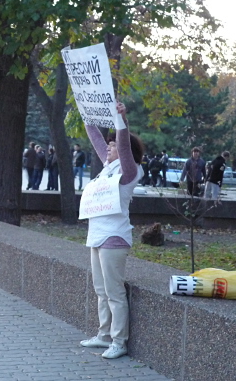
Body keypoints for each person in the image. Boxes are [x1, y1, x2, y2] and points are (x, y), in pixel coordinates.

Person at [79, 102, 144, 360]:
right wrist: (87, 117)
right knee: (100, 290)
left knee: (115, 292)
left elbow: (125, 145)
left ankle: (119, 341)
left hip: (114, 238)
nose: (108, 147)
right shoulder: (108, 169)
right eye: (108, 144)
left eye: (112, 145)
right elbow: (96, 138)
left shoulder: (130, 171)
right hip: (96, 236)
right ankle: (104, 335)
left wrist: (122, 119)